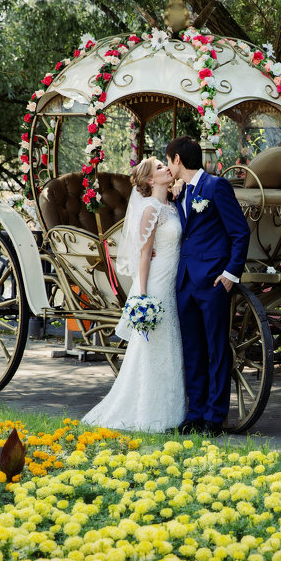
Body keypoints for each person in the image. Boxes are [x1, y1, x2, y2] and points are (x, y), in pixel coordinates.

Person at [82, 157, 186, 432]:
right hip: (157, 283)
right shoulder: (151, 209)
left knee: (170, 343)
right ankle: (148, 411)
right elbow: (144, 253)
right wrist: (141, 294)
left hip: (174, 278)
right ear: (151, 180)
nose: (167, 169)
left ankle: (174, 410)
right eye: (161, 168)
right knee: (155, 344)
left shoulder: (172, 206)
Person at [167, 136, 251, 434]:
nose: (167, 166)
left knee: (217, 349)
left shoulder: (216, 186)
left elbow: (240, 232)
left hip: (214, 281)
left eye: (168, 160)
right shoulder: (182, 194)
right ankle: (196, 413)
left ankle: (215, 417)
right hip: (186, 281)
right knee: (193, 349)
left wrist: (230, 274)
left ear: (177, 159)